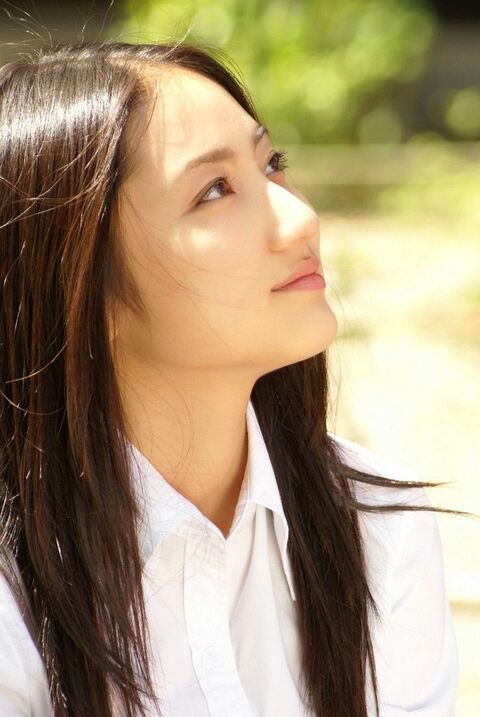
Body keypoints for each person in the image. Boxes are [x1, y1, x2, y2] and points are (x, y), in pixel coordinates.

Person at [0, 39, 461, 717]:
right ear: (80, 287)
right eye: (214, 190)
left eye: (272, 163)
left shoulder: (376, 533)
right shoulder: (15, 596)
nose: (302, 220)